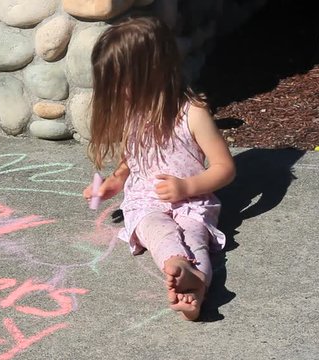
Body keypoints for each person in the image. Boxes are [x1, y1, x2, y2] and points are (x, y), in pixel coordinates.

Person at [83, 16, 235, 320]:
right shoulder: (131, 113)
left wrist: (186, 187)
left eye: (121, 83)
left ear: (152, 73)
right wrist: (113, 183)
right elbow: (132, 158)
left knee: (195, 237)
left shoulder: (192, 112)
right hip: (146, 201)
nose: (117, 93)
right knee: (158, 231)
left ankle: (194, 284)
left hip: (191, 200)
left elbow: (225, 167)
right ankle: (182, 271)